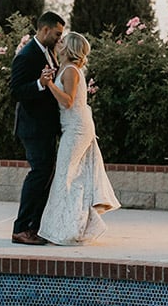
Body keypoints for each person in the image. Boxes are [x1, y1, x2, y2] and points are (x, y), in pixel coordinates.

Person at [38, 31, 120, 245]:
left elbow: (67, 101)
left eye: (63, 41)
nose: (59, 42)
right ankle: (72, 226)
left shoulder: (72, 71)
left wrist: (50, 85)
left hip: (77, 129)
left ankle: (66, 230)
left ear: (70, 48)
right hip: (72, 127)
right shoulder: (64, 68)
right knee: (72, 177)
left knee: (66, 176)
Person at [9, 11, 66, 245]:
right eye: (57, 33)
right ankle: (21, 228)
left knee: (45, 174)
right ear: (44, 30)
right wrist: (40, 85)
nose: (60, 38)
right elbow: (16, 91)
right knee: (39, 174)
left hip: (46, 127)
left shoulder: (50, 52)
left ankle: (34, 226)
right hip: (33, 127)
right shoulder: (26, 55)